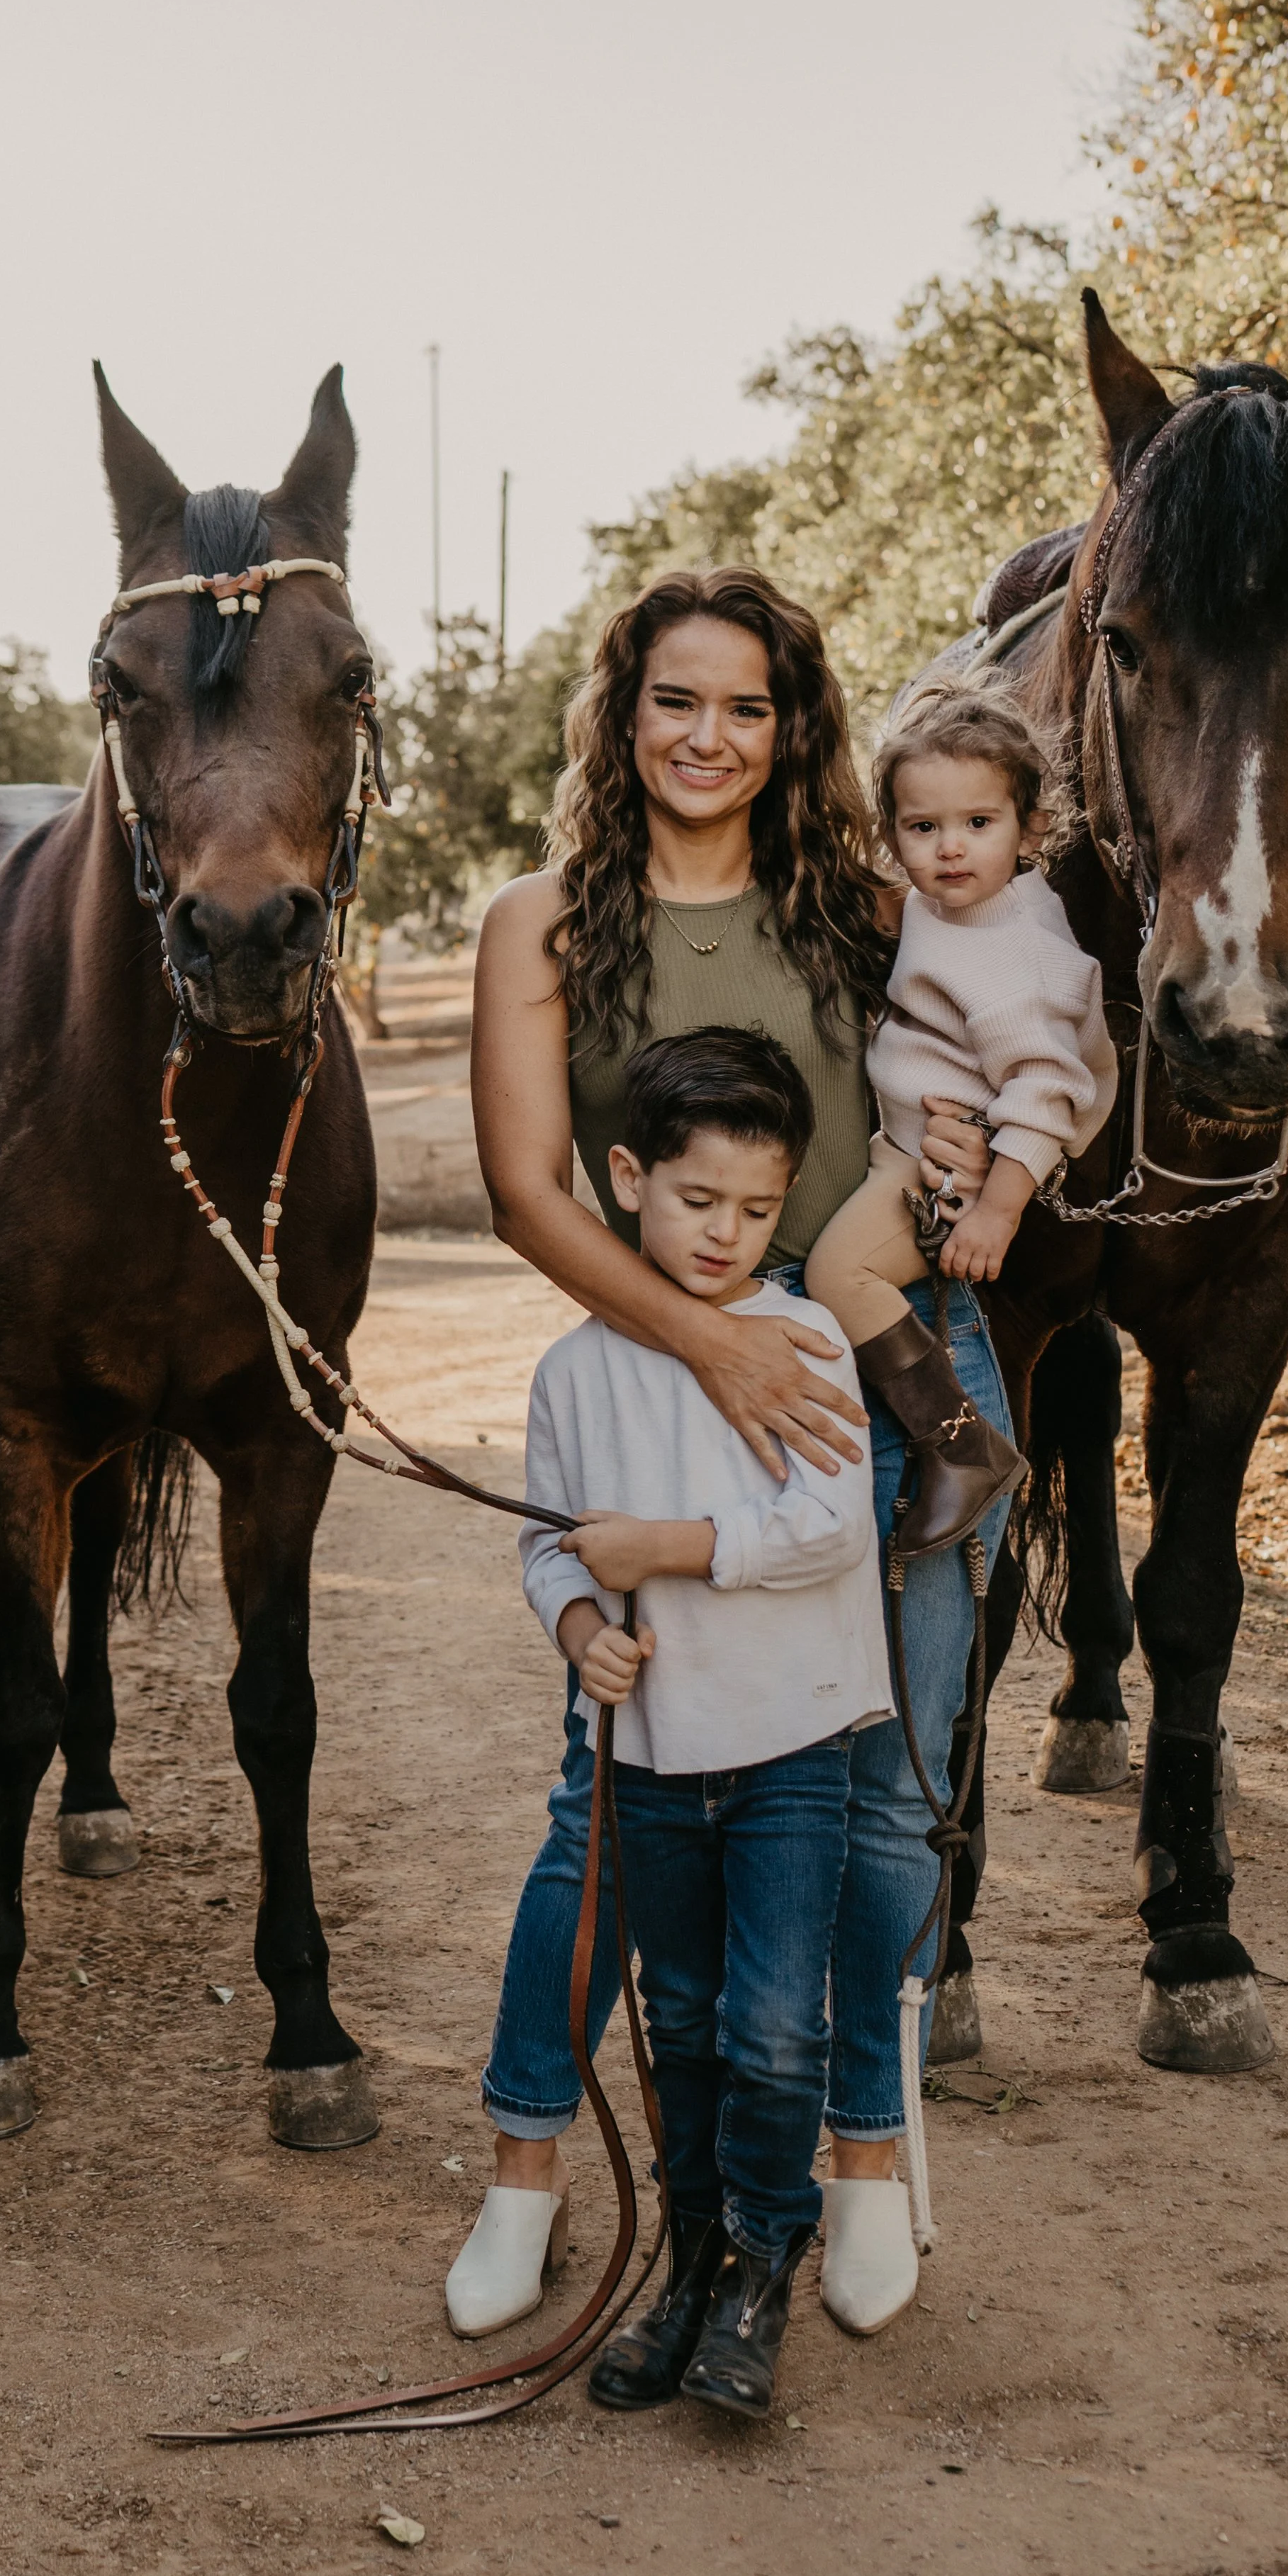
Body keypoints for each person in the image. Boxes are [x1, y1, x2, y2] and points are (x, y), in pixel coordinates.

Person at [454, 566, 1017, 2351]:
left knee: (880, 1791)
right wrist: (712, 1342)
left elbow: (986, 1055)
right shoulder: (538, 922)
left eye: (748, 706)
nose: (710, 736)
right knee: (606, 1805)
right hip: (664, 1375)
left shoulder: (862, 898)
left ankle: (856, 2149)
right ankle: (526, 2167)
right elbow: (532, 1189)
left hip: (881, 1366)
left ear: (794, 729)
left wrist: (909, 1215)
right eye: (674, 699)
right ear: (622, 716)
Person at [518, 1028, 890, 2418]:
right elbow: (554, 1547)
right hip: (657, 1763)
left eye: (755, 1209)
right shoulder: (571, 1375)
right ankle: (688, 2267)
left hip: (790, 1748)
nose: (726, 1235)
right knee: (676, 2022)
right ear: (625, 1179)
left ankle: (759, 2265)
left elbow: (824, 1526)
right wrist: (576, 1629)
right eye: (696, 1203)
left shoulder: (801, 1343)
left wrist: (662, 1547)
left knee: (777, 2025)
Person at [805, 673, 1119, 1553]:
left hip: (934, 1174)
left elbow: (1046, 1091)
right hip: (900, 1144)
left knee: (840, 1276)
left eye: (978, 824)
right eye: (922, 828)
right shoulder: (952, 910)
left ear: (1032, 829)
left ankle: (961, 1445)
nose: (949, 849)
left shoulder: (1016, 949)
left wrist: (994, 1210)